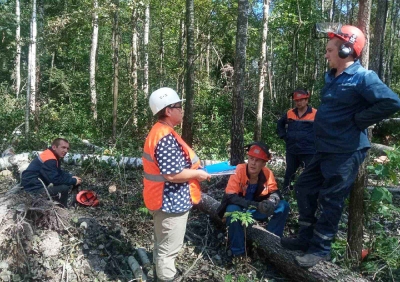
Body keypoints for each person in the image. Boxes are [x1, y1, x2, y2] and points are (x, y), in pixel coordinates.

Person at [280, 25, 400, 268]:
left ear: (346, 50)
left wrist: (359, 121)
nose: (326, 54)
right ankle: (305, 238)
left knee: (331, 198)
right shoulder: (331, 76)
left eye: (330, 50)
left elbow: (391, 101)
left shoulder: (364, 77)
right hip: (324, 148)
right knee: (304, 187)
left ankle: (320, 249)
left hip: (345, 150)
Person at [142, 87, 211, 282]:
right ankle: (166, 278)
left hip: (165, 200)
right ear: (168, 110)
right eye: (179, 106)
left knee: (162, 245)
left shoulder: (163, 132)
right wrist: (198, 174)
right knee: (168, 251)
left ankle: (159, 275)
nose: (182, 110)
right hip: (169, 203)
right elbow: (172, 175)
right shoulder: (164, 137)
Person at [217, 142, 290, 258]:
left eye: (257, 160)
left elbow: (275, 192)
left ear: (263, 163)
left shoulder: (267, 173)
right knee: (232, 210)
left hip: (256, 212)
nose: (253, 163)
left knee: (283, 205)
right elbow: (230, 196)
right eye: (251, 159)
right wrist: (255, 204)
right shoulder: (238, 170)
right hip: (241, 209)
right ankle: (238, 252)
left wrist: (272, 201)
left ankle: (271, 243)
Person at [21, 138, 82, 207]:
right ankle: (62, 210)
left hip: (35, 186)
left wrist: (70, 176)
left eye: (67, 148)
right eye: (63, 147)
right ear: (54, 147)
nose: (66, 151)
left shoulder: (51, 155)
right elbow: (55, 180)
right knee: (64, 188)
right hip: (33, 190)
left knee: (65, 183)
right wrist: (73, 181)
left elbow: (58, 172)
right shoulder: (50, 159)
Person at [277, 89, 317, 193]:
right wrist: (284, 136)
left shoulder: (315, 113)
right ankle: (286, 194)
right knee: (289, 174)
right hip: (292, 150)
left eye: (301, 100)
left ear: (306, 100)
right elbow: (280, 124)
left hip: (308, 151)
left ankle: (308, 196)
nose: (299, 102)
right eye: (297, 100)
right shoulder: (290, 113)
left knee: (310, 175)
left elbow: (323, 129)